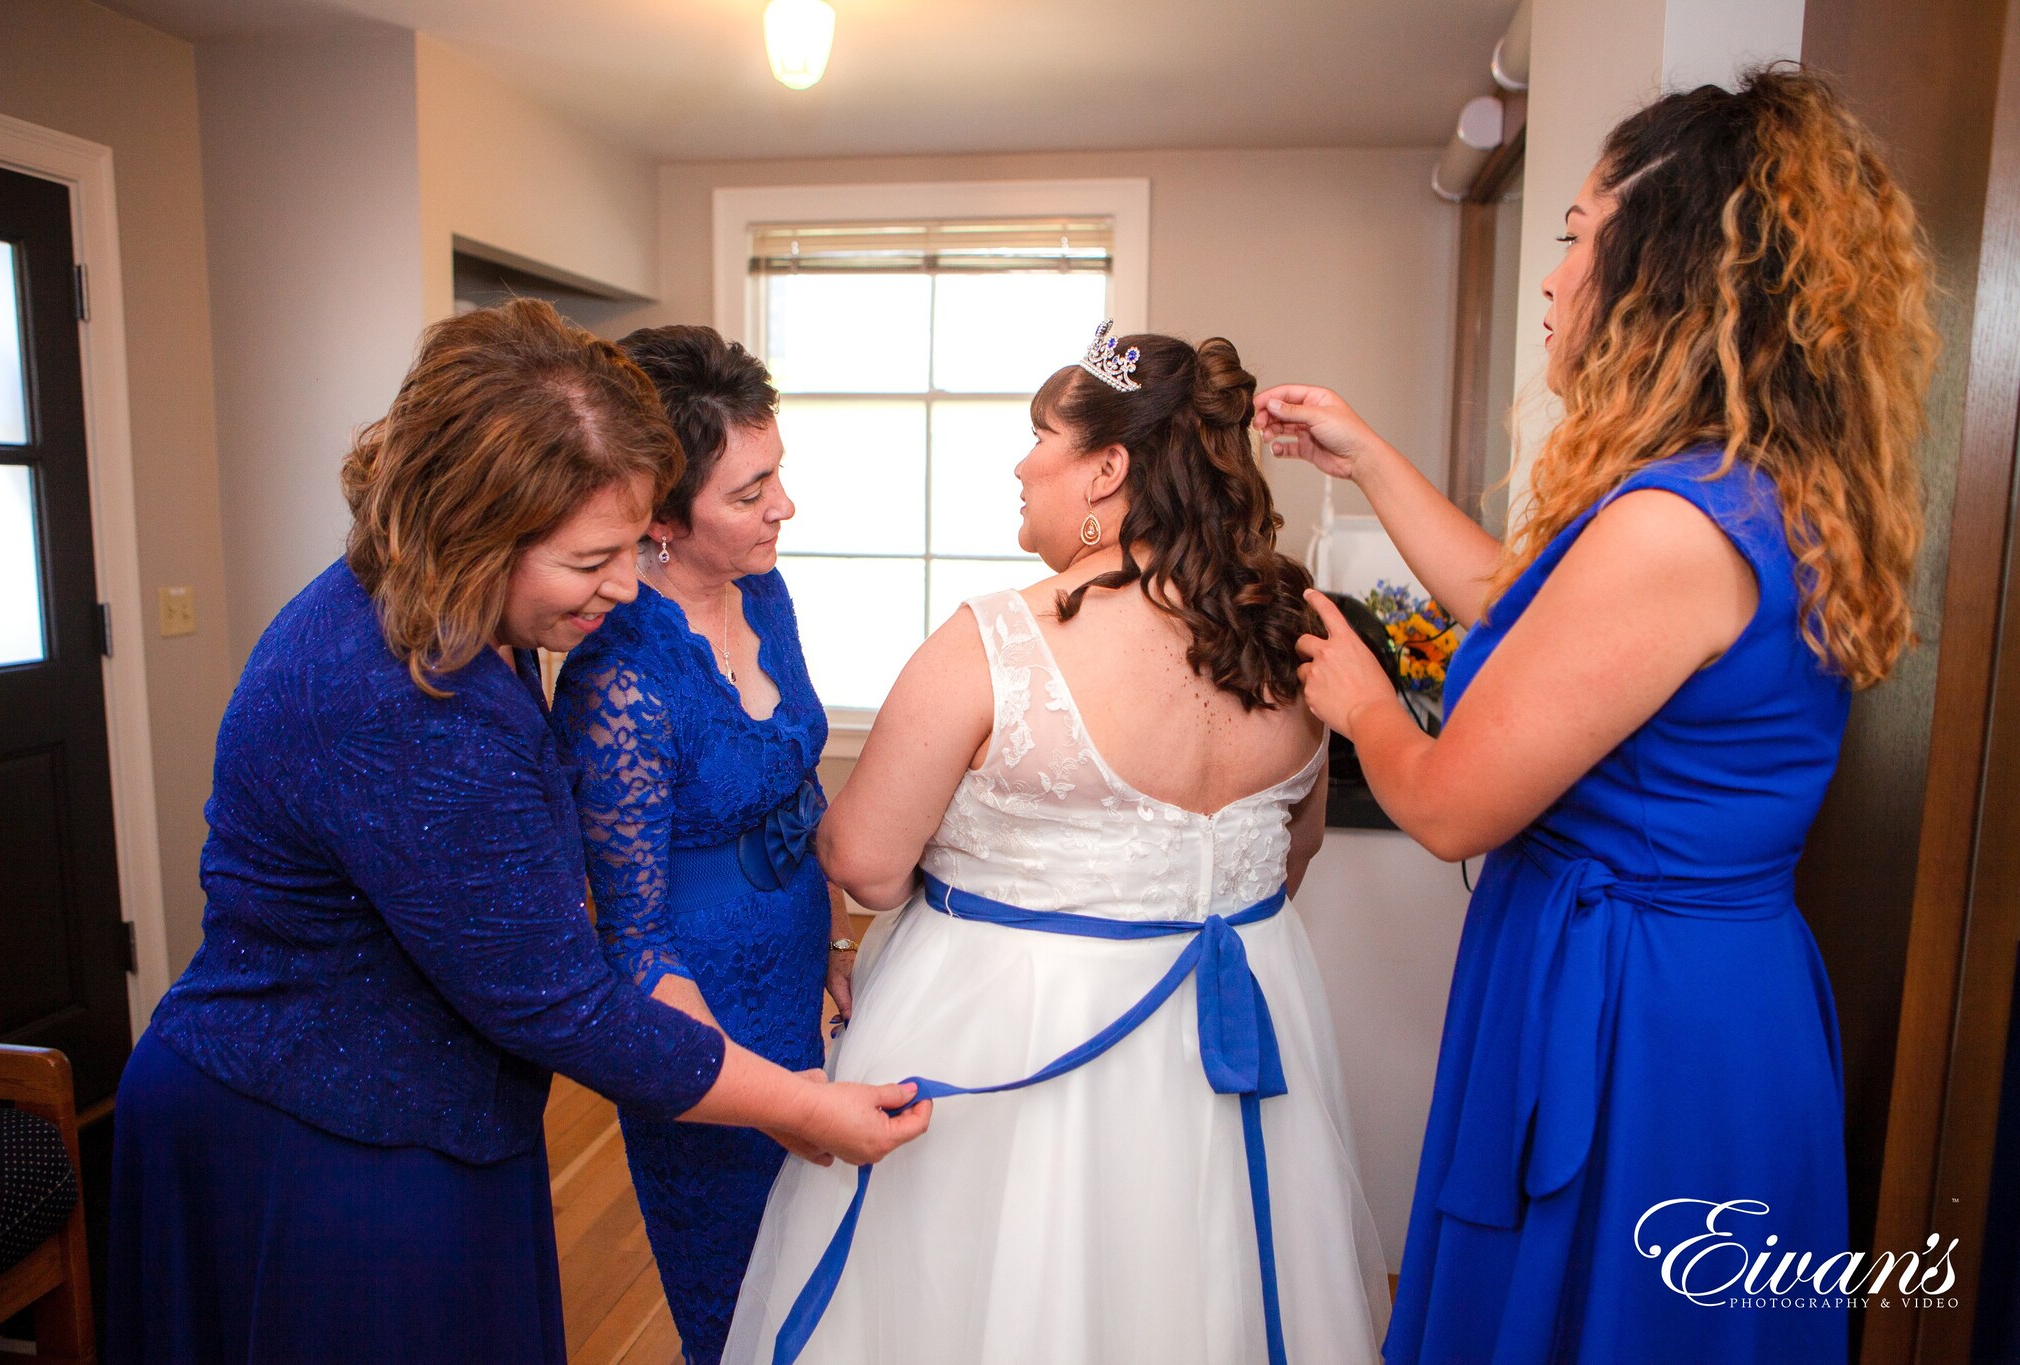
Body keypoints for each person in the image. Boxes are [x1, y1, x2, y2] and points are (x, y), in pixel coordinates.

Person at [105, 300, 928, 1365]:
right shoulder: (407, 703)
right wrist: (802, 1110)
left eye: (634, 546)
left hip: (426, 1109)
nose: (625, 589)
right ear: (473, 529)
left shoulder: (469, 603)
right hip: (315, 1132)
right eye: (592, 562)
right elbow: (566, 1002)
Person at [1264, 69, 1934, 1363]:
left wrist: (1351, 689)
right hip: (1706, 983)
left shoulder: (1669, 527)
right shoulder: (1743, 493)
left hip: (1639, 1019)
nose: (1554, 274)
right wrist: (1370, 457)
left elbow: (1453, 801)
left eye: (1576, 235)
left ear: (1668, 265)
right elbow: (1523, 611)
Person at [721, 327, 1390, 1365]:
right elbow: (1287, 861)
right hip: (1237, 1041)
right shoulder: (1289, 637)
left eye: (1040, 435)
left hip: (1012, 1042)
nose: (1021, 462)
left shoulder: (996, 641)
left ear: (1106, 468)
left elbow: (864, 863)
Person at [550, 324, 852, 1364]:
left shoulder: (763, 589)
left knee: (829, 1280)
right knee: (741, 1300)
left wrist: (839, 942)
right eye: (749, 490)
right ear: (662, 517)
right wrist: (768, 1103)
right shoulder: (617, 679)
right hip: (702, 1018)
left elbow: (795, 784)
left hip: (799, 956)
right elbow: (631, 946)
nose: (783, 506)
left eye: (779, 475)